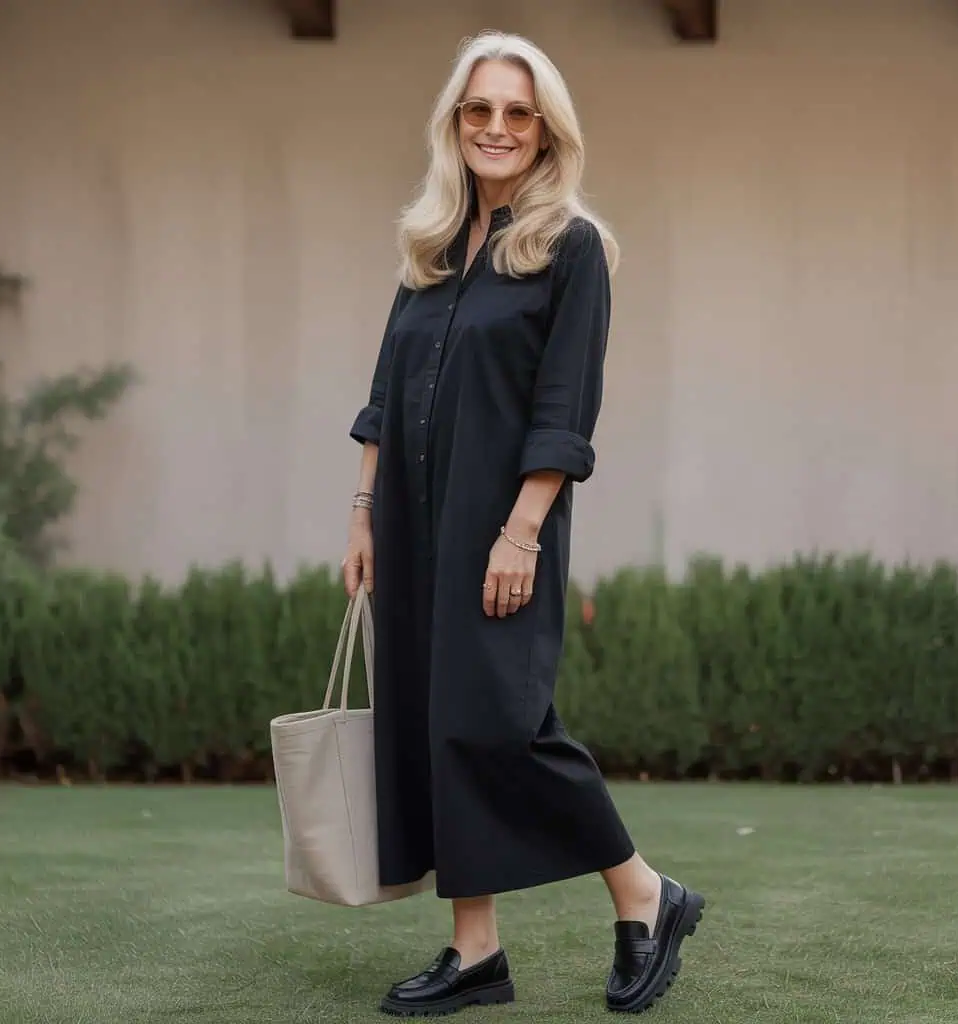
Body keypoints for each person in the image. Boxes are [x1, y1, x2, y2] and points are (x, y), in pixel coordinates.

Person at [344, 30, 706, 1017]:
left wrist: (522, 531)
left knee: (499, 725)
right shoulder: (429, 248)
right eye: (479, 109)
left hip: (500, 525)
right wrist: (364, 514)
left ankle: (645, 892)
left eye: (517, 112)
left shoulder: (570, 248)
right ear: (454, 123)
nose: (496, 127)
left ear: (546, 132)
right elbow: (383, 396)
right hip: (411, 523)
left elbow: (563, 407)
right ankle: (476, 953)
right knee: (436, 725)